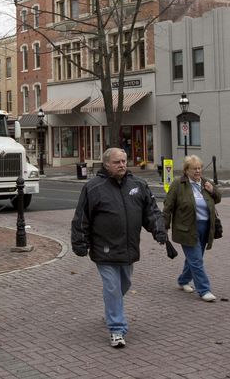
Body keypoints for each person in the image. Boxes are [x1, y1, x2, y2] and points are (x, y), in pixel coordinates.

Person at [71, 147, 167, 349]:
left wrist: (158, 230)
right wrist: (80, 243)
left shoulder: (138, 185)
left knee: (124, 284)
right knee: (113, 288)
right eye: (117, 162)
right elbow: (81, 218)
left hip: (128, 249)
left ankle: (111, 310)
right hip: (103, 249)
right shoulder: (93, 188)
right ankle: (117, 329)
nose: (122, 165)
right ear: (106, 164)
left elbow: (152, 212)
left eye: (124, 161)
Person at [162, 154, 220, 302]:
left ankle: (183, 280)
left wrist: (212, 190)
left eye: (199, 168)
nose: (198, 171)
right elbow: (168, 206)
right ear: (186, 170)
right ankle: (204, 290)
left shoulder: (205, 183)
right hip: (186, 228)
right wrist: (163, 227)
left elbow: (218, 198)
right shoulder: (178, 184)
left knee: (195, 258)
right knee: (196, 260)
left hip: (206, 227)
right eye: (194, 169)